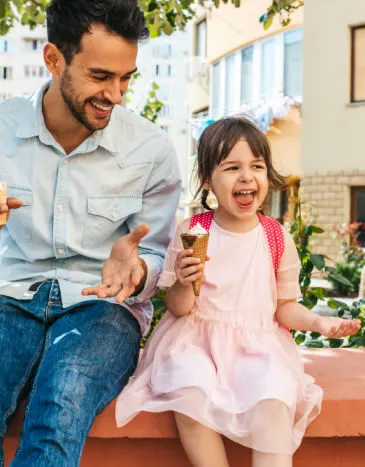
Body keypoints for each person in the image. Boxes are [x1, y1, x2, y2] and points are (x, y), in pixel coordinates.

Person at [116, 117, 360, 467]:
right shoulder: (193, 232)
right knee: (189, 394)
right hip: (196, 342)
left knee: (275, 401)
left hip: (256, 345)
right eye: (232, 167)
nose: (247, 177)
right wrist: (185, 281)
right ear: (207, 179)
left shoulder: (276, 237)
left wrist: (320, 325)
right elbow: (178, 307)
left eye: (256, 166)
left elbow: (286, 308)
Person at [0, 0, 181, 465]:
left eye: (126, 79)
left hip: (102, 309)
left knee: (61, 405)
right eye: (101, 77)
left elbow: (161, 259)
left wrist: (137, 272)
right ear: (54, 59)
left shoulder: (151, 151)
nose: (116, 95)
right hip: (7, 295)